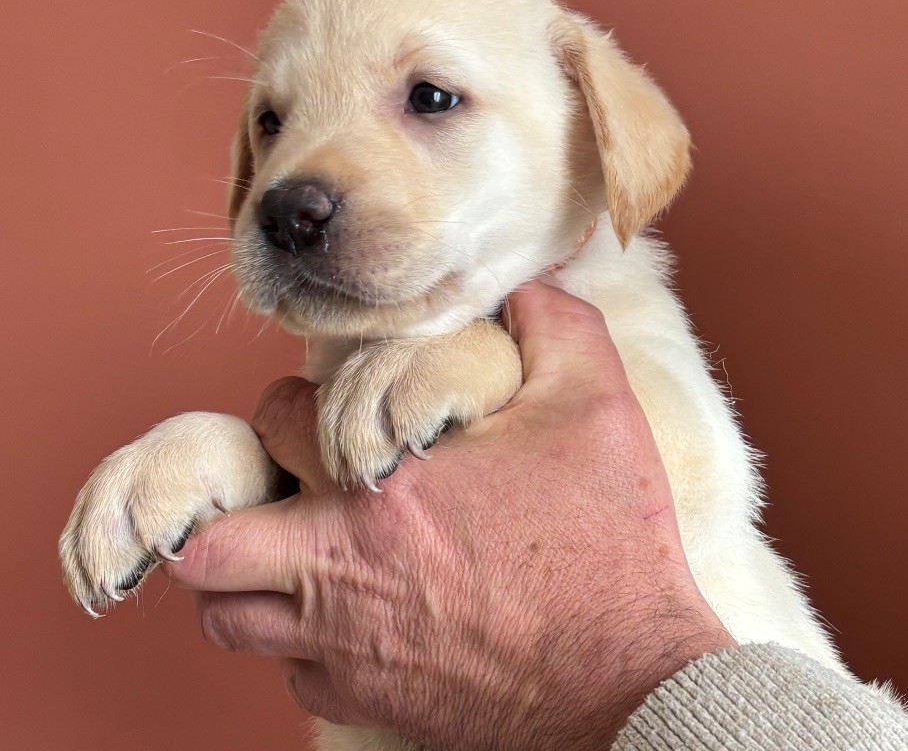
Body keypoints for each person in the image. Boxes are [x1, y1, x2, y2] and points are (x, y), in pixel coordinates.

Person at [166, 280, 907, 750]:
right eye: (270, 121)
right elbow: (355, 505)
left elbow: (699, 485)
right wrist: (223, 462)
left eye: (431, 99)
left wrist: (589, 675)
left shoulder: (609, 297)